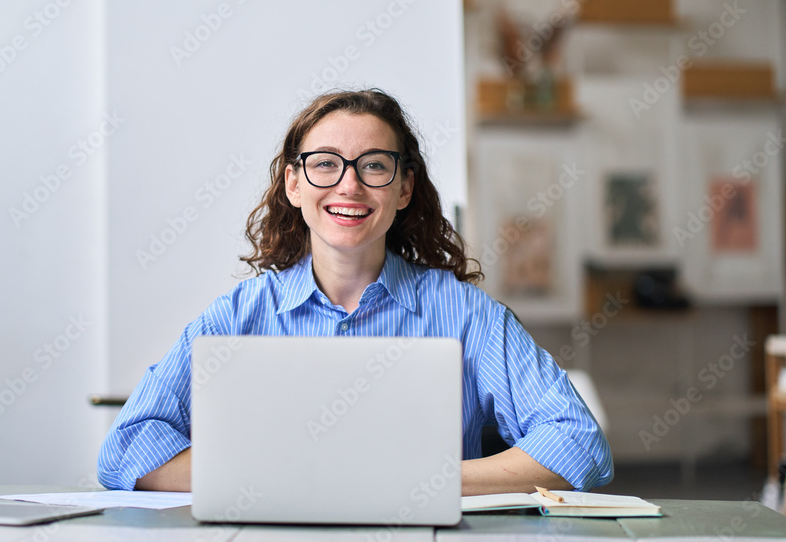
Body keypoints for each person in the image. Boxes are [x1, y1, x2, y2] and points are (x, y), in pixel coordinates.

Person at [98, 88, 613, 495]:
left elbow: (577, 442)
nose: (349, 186)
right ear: (293, 184)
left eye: (373, 165)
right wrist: (283, 480)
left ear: (404, 188)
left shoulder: (468, 315)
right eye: (325, 163)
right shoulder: (240, 314)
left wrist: (414, 482)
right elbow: (127, 447)